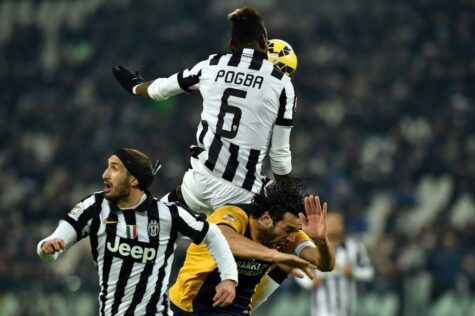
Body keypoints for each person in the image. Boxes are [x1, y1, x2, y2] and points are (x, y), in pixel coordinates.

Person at [112, 7, 297, 214]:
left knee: (153, 223)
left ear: (231, 45)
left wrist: (136, 87)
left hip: (198, 185)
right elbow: (279, 158)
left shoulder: (210, 66)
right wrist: (290, 198)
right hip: (241, 194)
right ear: (264, 42)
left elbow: (159, 90)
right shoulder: (282, 84)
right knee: (284, 231)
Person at [37, 148, 239, 316]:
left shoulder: (167, 214)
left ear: (133, 180)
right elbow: (57, 240)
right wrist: (47, 248)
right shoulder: (95, 206)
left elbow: (212, 235)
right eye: (107, 167)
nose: (104, 174)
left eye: (114, 168)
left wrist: (229, 278)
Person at [168, 179, 336, 315]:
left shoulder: (289, 232)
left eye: (295, 231)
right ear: (266, 218)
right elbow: (223, 239)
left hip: (236, 309)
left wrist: (321, 241)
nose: (292, 237)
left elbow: (325, 265)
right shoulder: (234, 215)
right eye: (289, 230)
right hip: (189, 306)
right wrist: (274, 255)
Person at [295, 212, 374, 316]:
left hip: (348, 310)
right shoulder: (312, 247)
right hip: (321, 311)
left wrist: (353, 271)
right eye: (330, 223)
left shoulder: (355, 247)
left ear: (343, 226)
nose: (334, 226)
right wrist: (310, 281)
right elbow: (299, 271)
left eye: (337, 223)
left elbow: (369, 272)